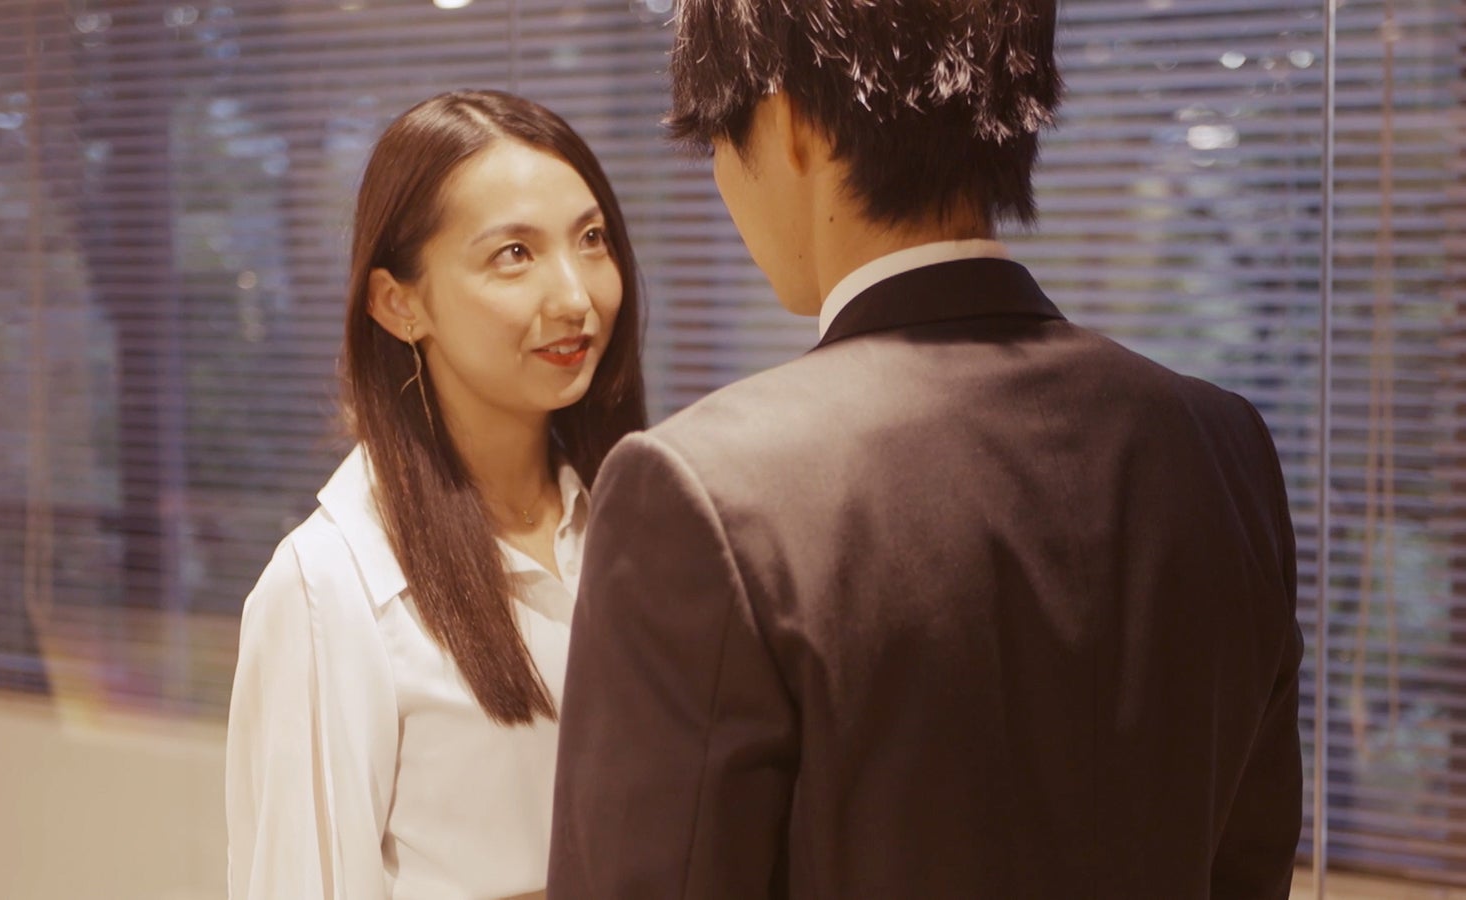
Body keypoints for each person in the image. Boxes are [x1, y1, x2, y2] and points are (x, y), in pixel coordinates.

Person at [547, 0, 1304, 897]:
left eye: (717, 138)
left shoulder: (704, 492)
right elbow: (1247, 865)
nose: (720, 176)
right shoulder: (1223, 449)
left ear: (789, 126)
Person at [225, 89, 646, 899]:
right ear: (399, 303)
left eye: (591, 239)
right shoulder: (332, 587)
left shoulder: (634, 527)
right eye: (514, 254)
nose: (576, 298)